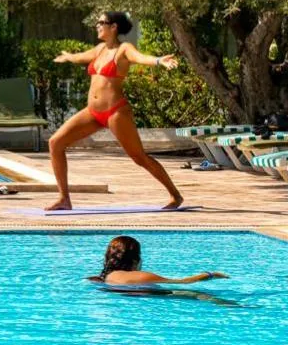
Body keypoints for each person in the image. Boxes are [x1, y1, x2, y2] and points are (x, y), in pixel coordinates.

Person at [46, 11, 185, 211]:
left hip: (115, 112)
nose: (97, 25)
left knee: (139, 157)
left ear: (114, 27)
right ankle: (64, 199)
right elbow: (81, 57)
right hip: (92, 112)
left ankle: (175, 195)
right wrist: (68, 57)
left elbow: (140, 57)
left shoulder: (124, 49)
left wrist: (158, 60)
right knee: (55, 142)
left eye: (101, 22)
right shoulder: (100, 49)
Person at [89, 235, 228, 286]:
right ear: (136, 259)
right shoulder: (141, 276)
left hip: (126, 294)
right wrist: (210, 274)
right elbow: (183, 282)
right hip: (144, 294)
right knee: (200, 296)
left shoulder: (97, 279)